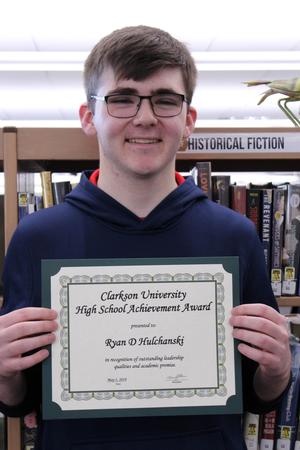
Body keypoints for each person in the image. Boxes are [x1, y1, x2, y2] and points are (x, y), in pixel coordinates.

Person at [0, 25, 291, 450]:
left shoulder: (235, 234)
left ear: (188, 120)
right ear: (88, 116)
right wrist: (4, 371)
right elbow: (20, 398)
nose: (145, 116)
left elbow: (254, 394)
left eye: (165, 100)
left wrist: (277, 370)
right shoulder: (37, 237)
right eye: (122, 99)